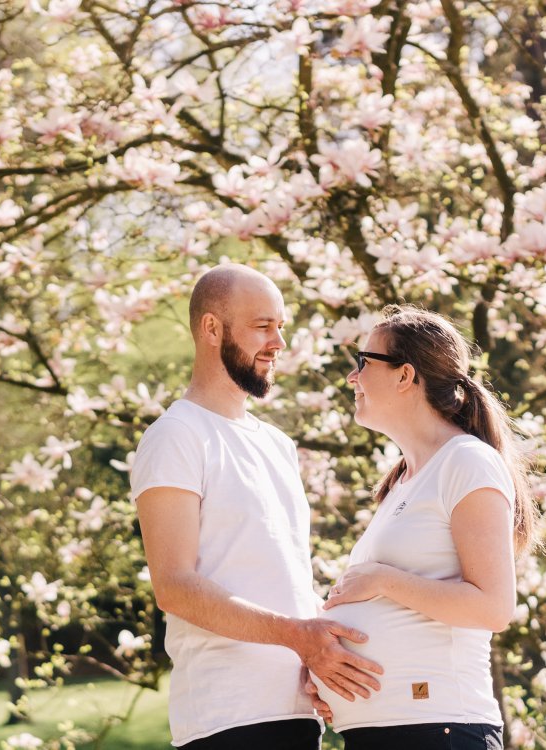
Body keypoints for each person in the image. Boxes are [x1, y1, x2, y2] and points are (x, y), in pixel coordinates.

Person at [130, 264, 384, 749]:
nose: (278, 343)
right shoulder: (175, 437)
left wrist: (319, 656)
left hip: (298, 713)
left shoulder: (278, 444)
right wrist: (298, 635)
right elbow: (174, 588)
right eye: (263, 326)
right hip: (225, 720)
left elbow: (282, 577)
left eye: (281, 327)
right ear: (211, 328)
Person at [307, 305, 537, 749]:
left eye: (363, 362)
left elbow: (492, 608)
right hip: (383, 733)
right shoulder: (403, 481)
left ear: (405, 375)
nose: (352, 378)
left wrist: (380, 579)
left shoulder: (466, 462)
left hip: (440, 730)